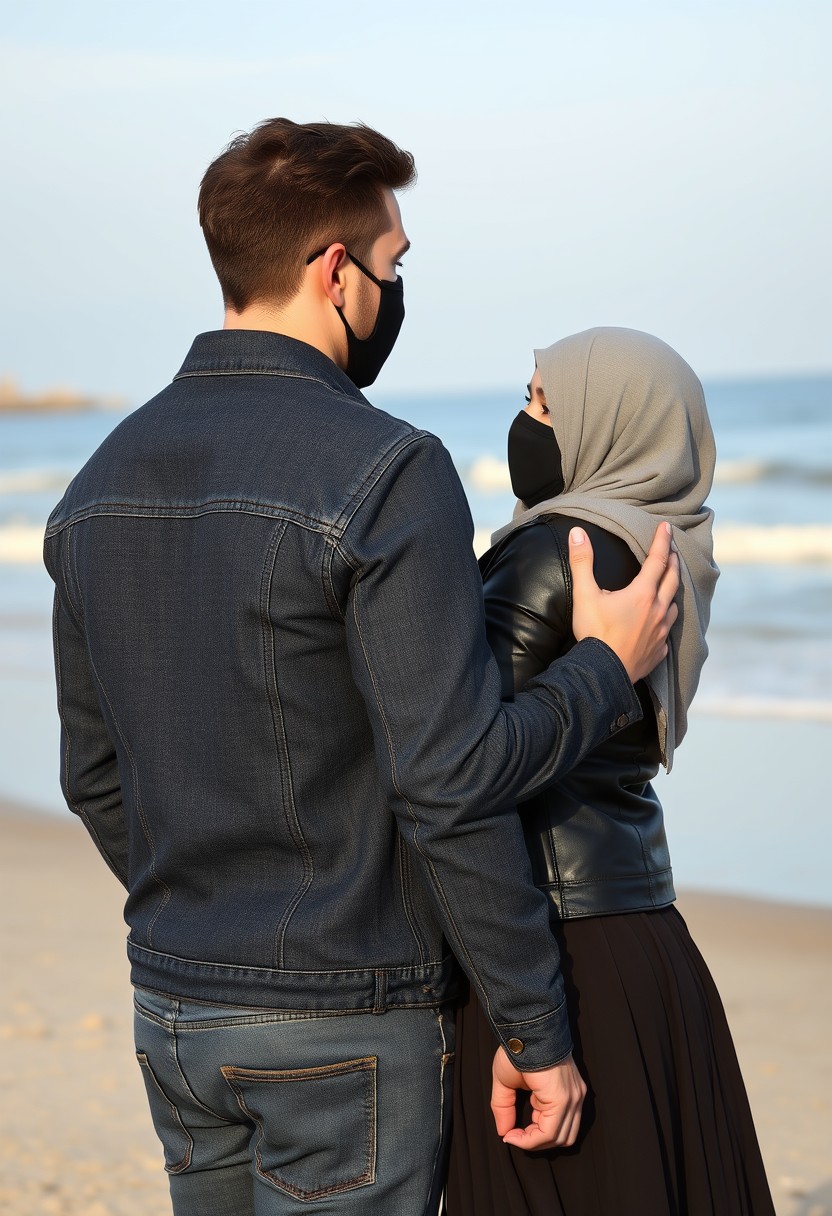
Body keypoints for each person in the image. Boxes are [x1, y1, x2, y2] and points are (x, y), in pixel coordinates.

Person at [43, 122, 678, 1215]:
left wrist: (208, 918)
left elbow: (95, 775)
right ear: (334, 272)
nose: (393, 290)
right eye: (393, 265)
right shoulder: (390, 471)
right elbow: (452, 778)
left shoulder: (96, 482)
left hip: (175, 1008)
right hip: (345, 1021)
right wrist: (603, 671)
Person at [446, 327, 775, 1215]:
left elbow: (464, 772)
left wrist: (519, 1014)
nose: (525, 421)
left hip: (546, 946)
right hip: (646, 940)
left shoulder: (560, 551)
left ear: (608, 423)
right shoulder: (662, 550)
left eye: (545, 403)